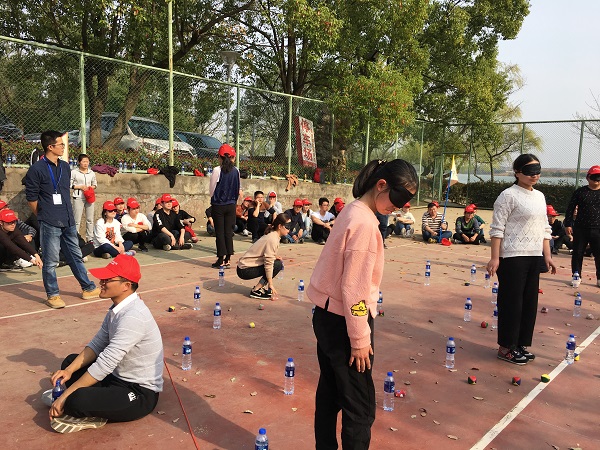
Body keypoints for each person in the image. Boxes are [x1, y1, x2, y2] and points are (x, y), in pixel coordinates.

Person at [307, 159, 417, 448]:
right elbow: (354, 289)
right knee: (360, 407)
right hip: (346, 321)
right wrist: (358, 339)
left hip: (326, 315)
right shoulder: (366, 224)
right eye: (397, 199)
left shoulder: (352, 209)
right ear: (381, 185)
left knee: (330, 393)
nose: (398, 207)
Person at [46, 254, 164, 434]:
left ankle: (81, 407)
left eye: (108, 279)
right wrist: (69, 371)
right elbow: (97, 344)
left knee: (76, 400)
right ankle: (87, 401)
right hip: (116, 378)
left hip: (139, 392)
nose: (101, 282)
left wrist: (65, 397)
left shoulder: (133, 317)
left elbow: (106, 362)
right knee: (70, 362)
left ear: (126, 286)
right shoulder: (117, 309)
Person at [486, 154, 556, 365]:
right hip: (512, 257)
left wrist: (547, 256)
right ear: (517, 172)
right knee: (512, 303)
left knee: (529, 303)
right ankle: (506, 347)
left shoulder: (540, 196)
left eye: (537, 171)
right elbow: (497, 229)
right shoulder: (508, 195)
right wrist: (495, 258)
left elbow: (545, 228)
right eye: (529, 171)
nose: (535, 175)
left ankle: (520, 344)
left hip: (534, 255)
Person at [24, 130, 100, 309]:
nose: (64, 147)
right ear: (50, 147)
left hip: (67, 219)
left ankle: (88, 288)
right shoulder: (36, 169)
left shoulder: (65, 167)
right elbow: (31, 198)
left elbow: (65, 190)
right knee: (51, 261)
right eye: (61, 145)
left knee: (76, 256)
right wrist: (43, 215)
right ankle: (53, 295)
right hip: (49, 221)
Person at [237, 213, 290, 299]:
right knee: (277, 264)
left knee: (276, 262)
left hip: (244, 267)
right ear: (280, 226)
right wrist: (270, 284)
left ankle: (258, 288)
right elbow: (268, 263)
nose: (289, 229)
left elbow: (265, 254)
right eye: (287, 226)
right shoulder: (272, 238)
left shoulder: (274, 235)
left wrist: (274, 257)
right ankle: (256, 290)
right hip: (244, 269)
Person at [564, 165, 600, 287]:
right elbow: (570, 208)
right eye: (594, 177)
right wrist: (568, 224)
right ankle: (576, 275)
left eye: (599, 177)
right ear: (587, 177)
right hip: (581, 228)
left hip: (598, 229)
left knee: (599, 254)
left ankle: (599, 278)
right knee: (577, 253)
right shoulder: (580, 192)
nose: (597, 180)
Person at [209, 144, 242, 268]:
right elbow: (238, 187)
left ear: (220, 157)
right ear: (233, 157)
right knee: (228, 232)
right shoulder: (236, 170)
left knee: (220, 232)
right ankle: (228, 258)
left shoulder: (217, 170)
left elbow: (212, 189)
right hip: (231, 204)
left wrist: (214, 198)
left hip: (218, 204)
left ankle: (220, 259)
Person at [70, 154, 97, 243]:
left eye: (87, 162)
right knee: (77, 219)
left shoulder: (91, 173)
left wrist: (90, 187)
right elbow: (70, 184)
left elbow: (95, 184)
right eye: (83, 161)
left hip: (89, 197)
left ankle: (90, 238)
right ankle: (75, 237)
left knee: (90, 219)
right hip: (78, 197)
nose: (85, 163)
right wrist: (80, 187)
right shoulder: (74, 172)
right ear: (79, 162)